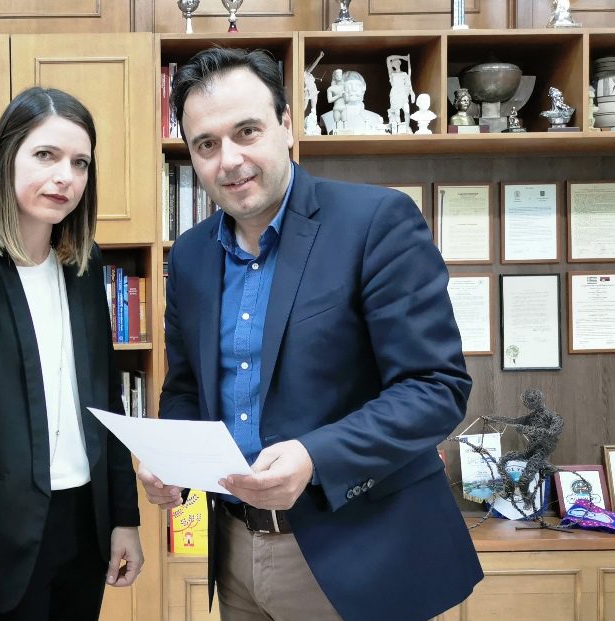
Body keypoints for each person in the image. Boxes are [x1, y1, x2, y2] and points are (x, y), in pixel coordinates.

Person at [141, 47, 482, 621]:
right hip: (235, 552)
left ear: (286, 124)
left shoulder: (376, 222)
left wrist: (314, 456)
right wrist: (170, 456)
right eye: (206, 144)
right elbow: (186, 388)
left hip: (361, 551)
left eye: (246, 132)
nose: (230, 160)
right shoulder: (192, 256)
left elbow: (435, 387)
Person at [0, 86, 143, 621]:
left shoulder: (85, 268)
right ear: (6, 159)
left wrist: (124, 517)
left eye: (80, 163)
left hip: (85, 529)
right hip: (1, 543)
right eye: (46, 155)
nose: (66, 176)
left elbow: (107, 402)